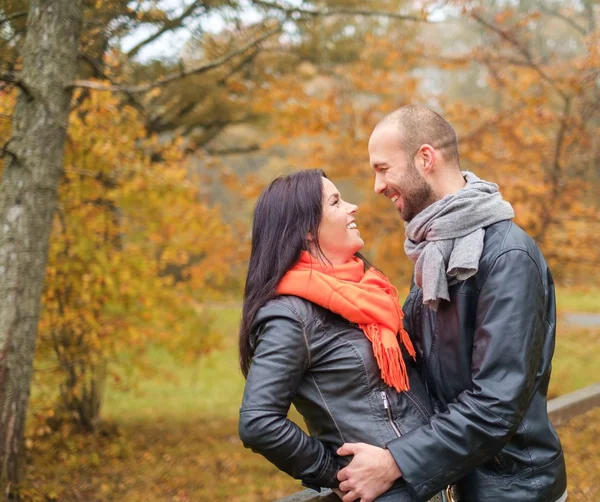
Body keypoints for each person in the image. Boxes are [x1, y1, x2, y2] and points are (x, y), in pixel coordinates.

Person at [335, 105, 567, 502]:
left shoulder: (506, 256)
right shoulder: (435, 252)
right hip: (458, 480)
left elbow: (495, 402)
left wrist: (396, 462)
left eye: (383, 168)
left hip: (515, 490)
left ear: (425, 158)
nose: (377, 186)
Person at [238, 169, 440, 501]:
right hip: (390, 492)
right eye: (336, 202)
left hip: (428, 472)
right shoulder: (290, 315)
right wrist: (336, 473)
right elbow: (258, 422)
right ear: (306, 231)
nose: (353, 207)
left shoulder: (366, 289)